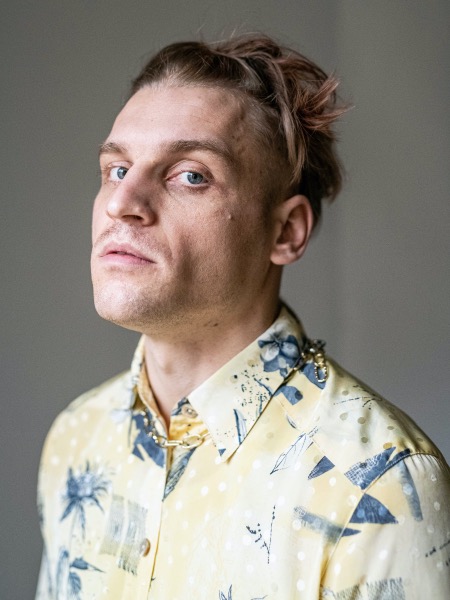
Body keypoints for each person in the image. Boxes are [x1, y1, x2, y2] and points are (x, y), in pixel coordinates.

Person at [36, 34, 449, 599]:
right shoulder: (75, 439)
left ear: (286, 231)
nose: (121, 203)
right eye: (117, 168)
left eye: (191, 175)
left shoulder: (379, 481)